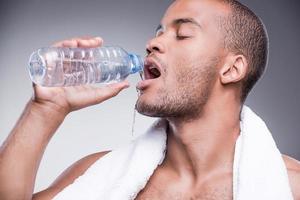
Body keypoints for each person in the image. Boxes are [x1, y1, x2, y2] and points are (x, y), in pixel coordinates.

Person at [0, 0, 300, 199]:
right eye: (158, 32)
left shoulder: (290, 185)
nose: (152, 43)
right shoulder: (95, 174)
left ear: (231, 69)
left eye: (182, 34)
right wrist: (44, 110)